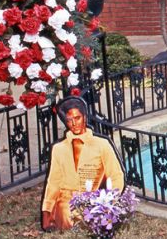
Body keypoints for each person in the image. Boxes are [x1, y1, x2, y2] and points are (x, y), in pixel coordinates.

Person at [41, 98, 125, 231]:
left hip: (94, 200)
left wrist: (109, 203)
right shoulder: (59, 148)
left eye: (77, 118)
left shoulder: (102, 145)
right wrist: (46, 212)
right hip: (66, 202)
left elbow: (116, 175)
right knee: (67, 213)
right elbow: (53, 182)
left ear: (85, 117)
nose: (74, 123)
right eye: (69, 120)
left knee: (91, 219)